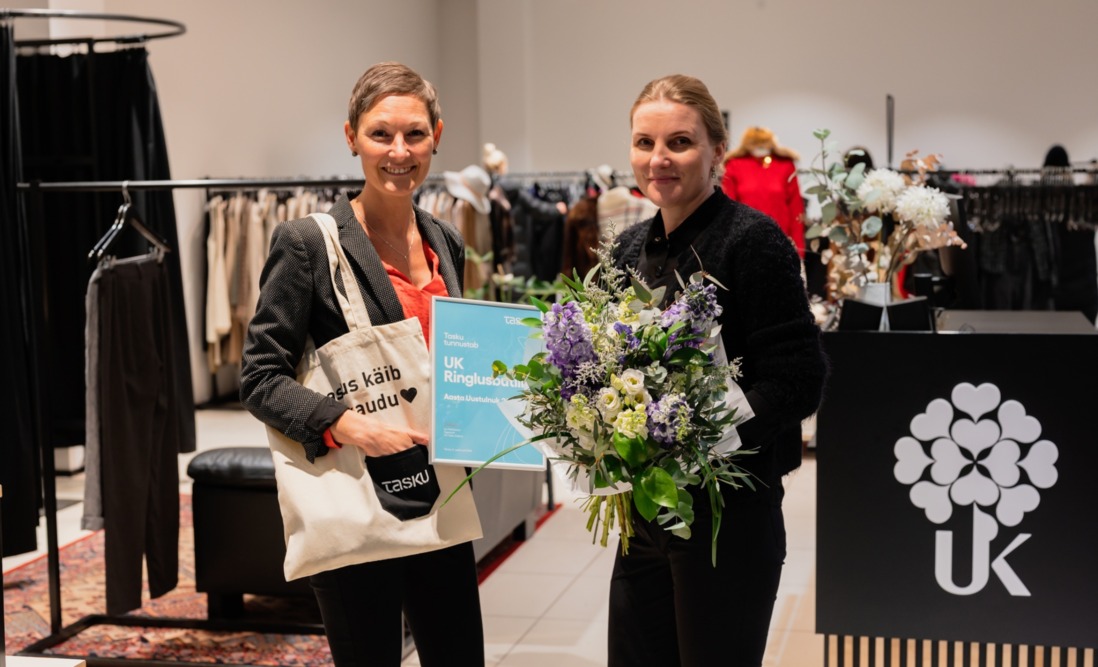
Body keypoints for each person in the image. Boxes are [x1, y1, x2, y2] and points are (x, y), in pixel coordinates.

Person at [239, 61, 484, 667]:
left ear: (436, 136)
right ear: (352, 138)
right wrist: (351, 426)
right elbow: (260, 377)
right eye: (381, 134)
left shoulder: (445, 240)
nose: (399, 152)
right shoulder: (307, 244)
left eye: (415, 134)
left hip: (440, 493)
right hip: (355, 496)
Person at [610, 74, 829, 667]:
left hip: (728, 519)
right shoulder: (627, 249)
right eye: (644, 142)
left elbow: (799, 379)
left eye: (679, 142)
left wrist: (700, 438)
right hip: (644, 515)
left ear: (717, 152)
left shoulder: (753, 242)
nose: (658, 159)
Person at [720, 126, 806, 257]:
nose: (760, 147)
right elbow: (728, 209)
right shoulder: (734, 165)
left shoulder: (785, 165)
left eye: (763, 143)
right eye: (756, 144)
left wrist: (798, 250)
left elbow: (796, 209)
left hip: (781, 241)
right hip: (745, 241)